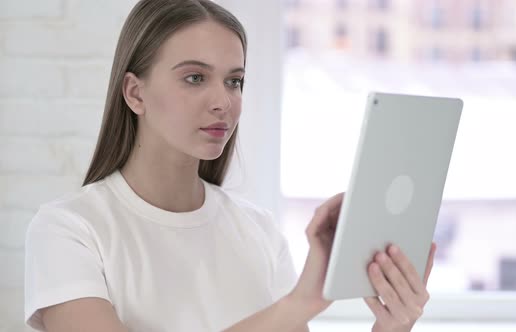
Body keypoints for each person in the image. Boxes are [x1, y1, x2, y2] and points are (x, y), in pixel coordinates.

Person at [23, 0, 436, 331]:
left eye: (234, 80)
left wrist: (391, 327)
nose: (223, 101)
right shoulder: (68, 230)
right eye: (195, 78)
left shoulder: (257, 231)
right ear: (135, 93)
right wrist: (298, 305)